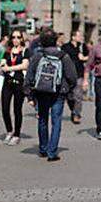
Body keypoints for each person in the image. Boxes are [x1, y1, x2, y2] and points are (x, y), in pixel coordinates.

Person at [24, 28, 77, 161]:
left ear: (41, 41)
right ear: (56, 40)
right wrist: (68, 88)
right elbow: (72, 76)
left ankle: (43, 148)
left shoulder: (37, 56)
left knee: (42, 119)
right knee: (56, 121)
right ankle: (52, 152)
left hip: (41, 91)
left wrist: (29, 94)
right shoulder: (63, 56)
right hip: (58, 92)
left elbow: (29, 76)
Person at [0, 30, 30, 146]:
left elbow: (25, 65)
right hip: (7, 83)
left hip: (19, 83)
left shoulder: (25, 51)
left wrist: (9, 69)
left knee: (17, 110)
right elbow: (3, 64)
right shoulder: (7, 51)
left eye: (18, 37)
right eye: (13, 37)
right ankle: (9, 131)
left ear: (22, 39)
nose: (15, 39)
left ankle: (17, 134)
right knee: (4, 108)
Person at [61, 30, 89, 124]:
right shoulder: (65, 47)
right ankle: (73, 110)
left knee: (78, 95)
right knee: (69, 96)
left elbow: (90, 57)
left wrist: (84, 58)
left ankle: (76, 114)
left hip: (79, 74)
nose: (80, 37)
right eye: (78, 35)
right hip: (67, 75)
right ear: (73, 37)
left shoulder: (82, 46)